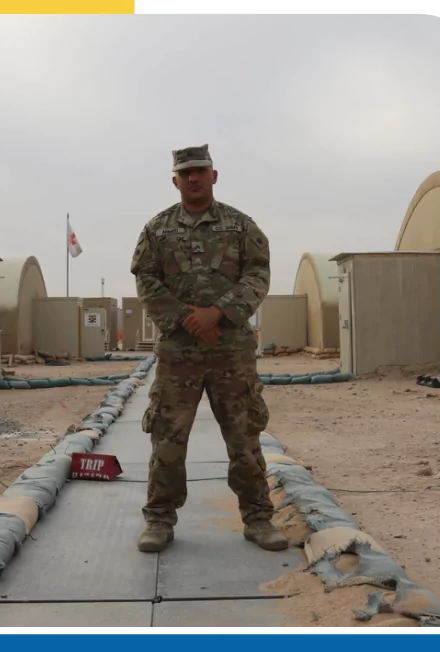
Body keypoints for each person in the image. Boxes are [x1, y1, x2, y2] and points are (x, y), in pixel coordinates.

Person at [130, 144, 288, 554]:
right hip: (177, 354)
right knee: (167, 438)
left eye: (200, 170)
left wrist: (219, 313)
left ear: (214, 176)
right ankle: (159, 520)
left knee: (244, 437)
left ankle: (258, 518)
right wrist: (186, 317)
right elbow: (145, 279)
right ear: (175, 181)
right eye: (186, 173)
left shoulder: (240, 226)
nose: (194, 178)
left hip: (230, 351)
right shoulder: (156, 230)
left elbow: (258, 273)